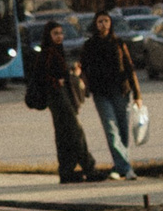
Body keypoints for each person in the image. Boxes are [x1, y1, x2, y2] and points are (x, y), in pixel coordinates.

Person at [27, 22, 101, 184]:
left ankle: (66, 171)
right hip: (57, 97)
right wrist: (56, 81)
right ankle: (89, 168)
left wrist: (71, 73)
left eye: (61, 33)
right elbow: (41, 75)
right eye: (55, 33)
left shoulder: (57, 51)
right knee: (75, 132)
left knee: (64, 135)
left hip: (62, 95)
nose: (59, 36)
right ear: (49, 35)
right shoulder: (47, 52)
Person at [78, 11, 142, 180]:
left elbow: (129, 68)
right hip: (101, 93)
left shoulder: (119, 43)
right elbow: (83, 68)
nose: (103, 24)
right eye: (100, 21)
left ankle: (119, 167)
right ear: (95, 24)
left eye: (106, 21)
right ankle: (127, 168)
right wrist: (84, 85)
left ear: (111, 23)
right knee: (111, 130)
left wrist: (137, 94)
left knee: (122, 130)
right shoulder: (90, 45)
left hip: (121, 91)